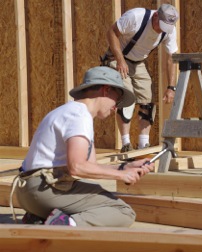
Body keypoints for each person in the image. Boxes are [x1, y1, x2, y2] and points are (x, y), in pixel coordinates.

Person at [13, 66, 154, 227]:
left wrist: (126, 166)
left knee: (99, 195)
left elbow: (90, 166)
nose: (117, 107)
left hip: (30, 193)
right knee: (123, 211)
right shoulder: (79, 115)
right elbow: (78, 167)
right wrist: (122, 176)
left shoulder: (70, 111)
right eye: (118, 98)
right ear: (106, 90)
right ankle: (63, 225)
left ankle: (41, 217)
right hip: (44, 190)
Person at [104, 4, 179, 151]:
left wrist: (171, 87)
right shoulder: (136, 17)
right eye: (161, 26)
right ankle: (126, 144)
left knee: (148, 101)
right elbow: (111, 32)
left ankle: (143, 144)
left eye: (166, 28)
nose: (161, 30)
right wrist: (120, 60)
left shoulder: (169, 30)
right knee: (128, 97)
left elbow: (171, 58)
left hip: (138, 62)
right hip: (118, 57)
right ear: (156, 16)